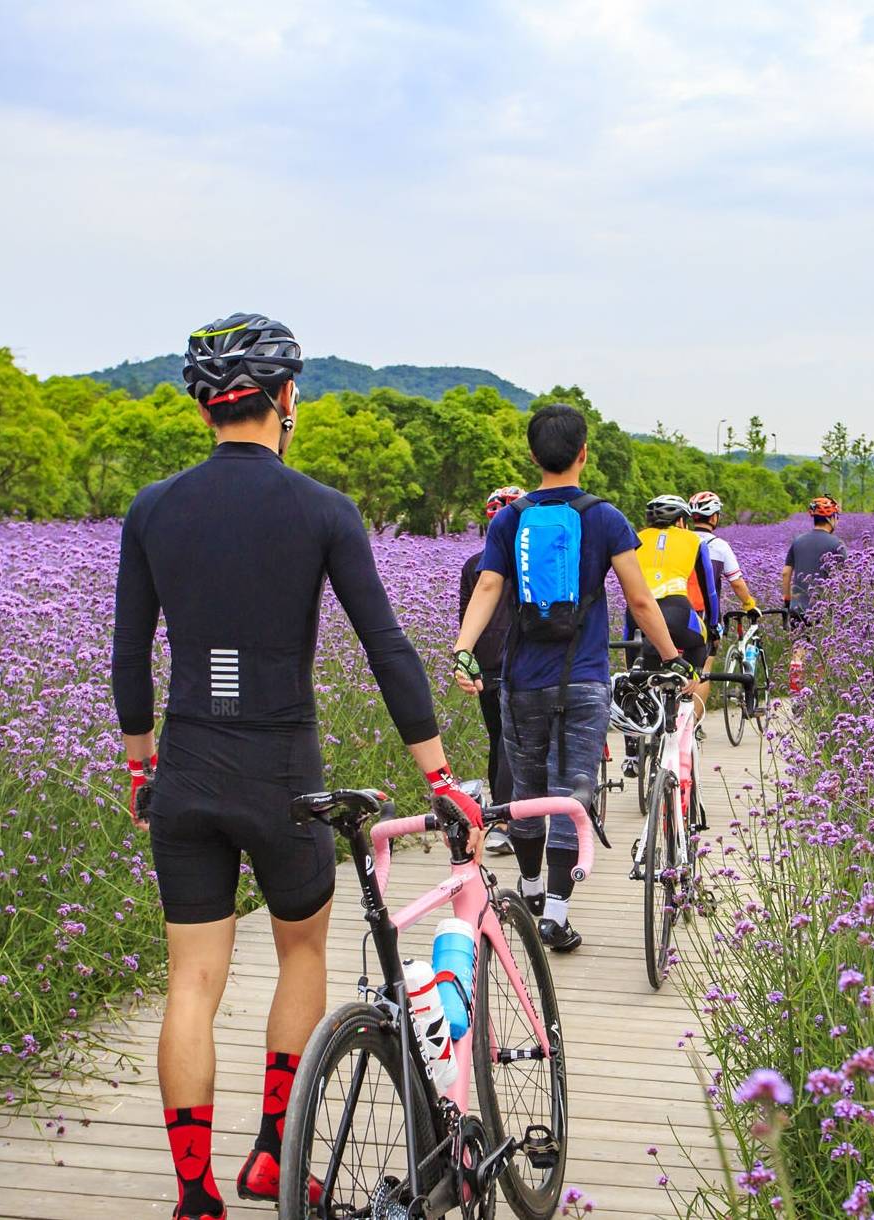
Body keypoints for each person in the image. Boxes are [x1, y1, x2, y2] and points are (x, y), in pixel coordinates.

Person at [112, 312, 482, 1220]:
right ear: (284, 398)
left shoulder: (154, 508)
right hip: (281, 771)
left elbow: (129, 655)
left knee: (190, 982)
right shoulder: (322, 509)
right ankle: (276, 1157)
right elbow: (387, 648)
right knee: (300, 950)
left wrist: (141, 765)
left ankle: (194, 1195)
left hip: (189, 771)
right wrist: (438, 778)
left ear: (206, 406)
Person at [450, 405, 692, 952]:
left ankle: (529, 890)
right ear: (584, 452)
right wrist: (671, 655)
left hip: (521, 680)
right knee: (570, 792)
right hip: (583, 679)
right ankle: (556, 914)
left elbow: (488, 589)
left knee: (527, 788)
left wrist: (463, 651)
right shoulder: (604, 517)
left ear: (533, 456)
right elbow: (638, 598)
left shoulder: (510, 518)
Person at [620, 494, 718, 782]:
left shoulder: (634, 538)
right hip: (677, 611)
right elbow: (708, 590)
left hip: (638, 615)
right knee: (699, 643)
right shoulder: (694, 540)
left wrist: (630, 644)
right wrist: (714, 628)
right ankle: (689, 691)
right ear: (681, 520)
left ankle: (632, 748)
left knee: (636, 677)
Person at [461, 485, 525, 854]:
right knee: (508, 740)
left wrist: (465, 658)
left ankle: (500, 815)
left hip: (484, 662)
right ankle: (502, 821)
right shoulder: (527, 560)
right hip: (516, 661)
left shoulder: (473, 563)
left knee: (498, 736)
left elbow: (465, 617)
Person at [685, 490, 760, 630]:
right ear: (713, 518)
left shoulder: (682, 541)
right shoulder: (720, 546)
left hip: (679, 607)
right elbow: (736, 583)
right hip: (705, 611)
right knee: (708, 648)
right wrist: (749, 605)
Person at [781, 495, 848, 620]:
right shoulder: (837, 544)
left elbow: (786, 573)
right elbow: (847, 579)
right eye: (837, 517)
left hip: (797, 611)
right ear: (831, 518)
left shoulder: (798, 541)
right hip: (823, 613)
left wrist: (787, 601)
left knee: (798, 639)